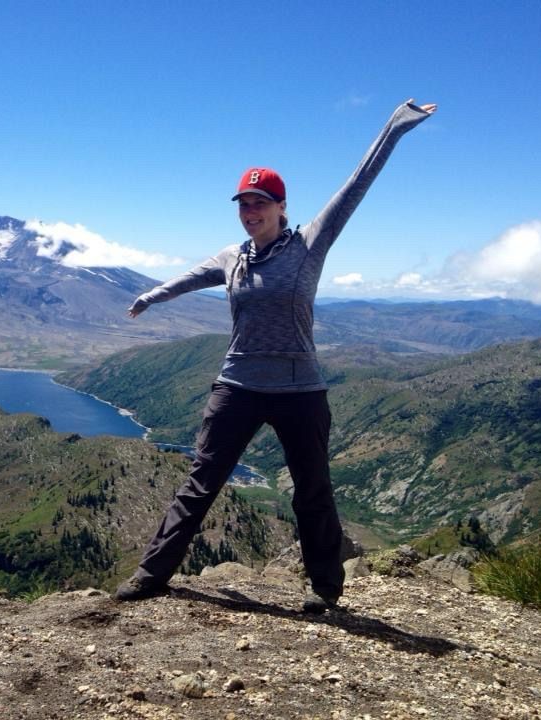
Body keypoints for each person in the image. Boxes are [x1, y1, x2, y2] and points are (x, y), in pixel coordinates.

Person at [114, 99, 437, 612]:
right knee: (201, 483)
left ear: (281, 207)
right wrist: (151, 297)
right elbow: (190, 277)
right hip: (237, 385)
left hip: (300, 390)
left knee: (312, 490)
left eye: (261, 202)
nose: (251, 212)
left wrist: (393, 130)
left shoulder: (310, 243)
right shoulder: (231, 257)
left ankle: (326, 590)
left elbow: (354, 187)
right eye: (244, 203)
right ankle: (152, 575)